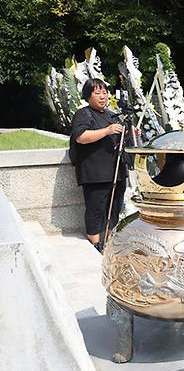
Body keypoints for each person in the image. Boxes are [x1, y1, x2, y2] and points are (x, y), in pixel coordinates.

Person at [70, 78, 130, 252]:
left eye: (104, 92)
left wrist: (128, 133)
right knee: (96, 207)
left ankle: (110, 240)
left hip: (116, 169)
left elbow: (119, 138)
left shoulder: (111, 114)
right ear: (88, 96)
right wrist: (107, 130)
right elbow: (81, 137)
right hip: (96, 172)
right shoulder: (83, 114)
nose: (102, 96)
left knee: (116, 206)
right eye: (97, 93)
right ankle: (95, 243)